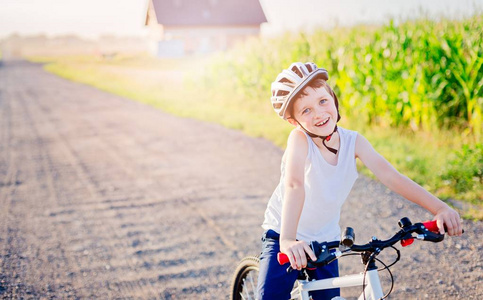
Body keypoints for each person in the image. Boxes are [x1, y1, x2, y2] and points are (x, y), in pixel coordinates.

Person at [257, 62, 463, 299]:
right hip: (284, 234)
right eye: (306, 111)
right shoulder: (300, 140)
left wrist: (440, 208)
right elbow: (295, 184)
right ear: (294, 122)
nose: (319, 114)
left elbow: (391, 176)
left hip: (325, 239)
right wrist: (287, 239)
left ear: (333, 99)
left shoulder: (354, 141)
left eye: (323, 101)